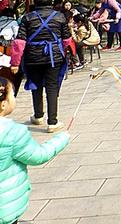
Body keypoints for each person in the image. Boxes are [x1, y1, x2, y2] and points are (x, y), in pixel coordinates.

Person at [0, 77, 70, 224]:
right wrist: (61, 139)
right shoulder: (13, 132)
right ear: (3, 103)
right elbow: (38, 156)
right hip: (4, 207)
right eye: (12, 95)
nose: (14, 98)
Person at [10, 0, 73, 132]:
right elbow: (67, 40)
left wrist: (15, 62)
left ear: (35, 3)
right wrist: (63, 51)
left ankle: (38, 116)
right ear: (51, 3)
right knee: (52, 87)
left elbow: (19, 42)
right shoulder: (59, 16)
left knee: (36, 85)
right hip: (53, 57)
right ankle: (52, 122)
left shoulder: (27, 18)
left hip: (32, 57)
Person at [0, 8, 21, 96]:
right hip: (9, 49)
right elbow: (17, 36)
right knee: (11, 72)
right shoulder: (13, 23)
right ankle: (10, 92)